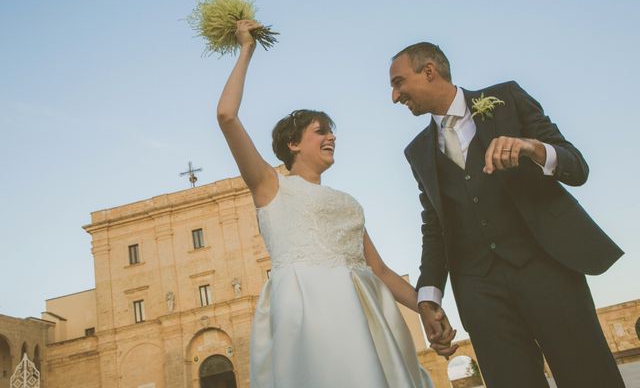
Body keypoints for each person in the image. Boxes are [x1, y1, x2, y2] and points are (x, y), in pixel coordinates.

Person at [390, 41, 625, 387]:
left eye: (398, 82)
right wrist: (428, 297)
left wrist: (532, 148)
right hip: (478, 291)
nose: (395, 96)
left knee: (588, 375)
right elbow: (435, 228)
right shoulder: (417, 151)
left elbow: (577, 167)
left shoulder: (507, 98)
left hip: (548, 268)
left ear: (429, 71)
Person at [216, 20, 433, 387]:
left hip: (365, 314)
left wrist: (426, 308)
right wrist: (245, 49)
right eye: (320, 131)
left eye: (331, 131)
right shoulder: (269, 187)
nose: (331, 136)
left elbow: (379, 270)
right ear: (294, 144)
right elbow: (227, 116)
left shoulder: (348, 203)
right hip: (307, 315)